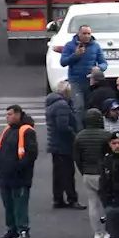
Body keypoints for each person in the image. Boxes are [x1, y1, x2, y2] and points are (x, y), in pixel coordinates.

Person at [0, 105, 38, 238]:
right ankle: (12, 230)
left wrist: (18, 167)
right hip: (5, 176)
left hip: (19, 176)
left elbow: (31, 154)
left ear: (18, 114)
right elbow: (1, 151)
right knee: (9, 204)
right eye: (7, 114)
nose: (8, 117)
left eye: (10, 114)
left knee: (20, 205)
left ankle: (23, 230)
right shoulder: (8, 130)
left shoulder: (27, 131)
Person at [73, 108, 112, 238]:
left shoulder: (80, 136)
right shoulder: (106, 135)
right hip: (103, 174)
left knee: (93, 204)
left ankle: (97, 233)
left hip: (88, 173)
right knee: (107, 204)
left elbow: (77, 158)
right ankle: (108, 232)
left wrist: (83, 170)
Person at [45, 81, 83, 209]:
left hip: (55, 144)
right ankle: (72, 199)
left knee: (58, 173)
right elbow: (63, 126)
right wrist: (75, 135)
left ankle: (58, 199)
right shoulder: (62, 105)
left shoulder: (54, 103)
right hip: (63, 144)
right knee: (68, 173)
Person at [61, 25, 107, 120]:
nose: (86, 36)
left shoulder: (95, 46)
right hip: (76, 81)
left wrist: (99, 68)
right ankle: (79, 132)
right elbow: (63, 62)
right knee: (79, 107)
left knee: (90, 107)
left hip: (91, 82)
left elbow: (104, 63)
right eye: (84, 33)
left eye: (88, 34)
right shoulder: (70, 45)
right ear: (79, 34)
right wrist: (76, 55)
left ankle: (89, 129)